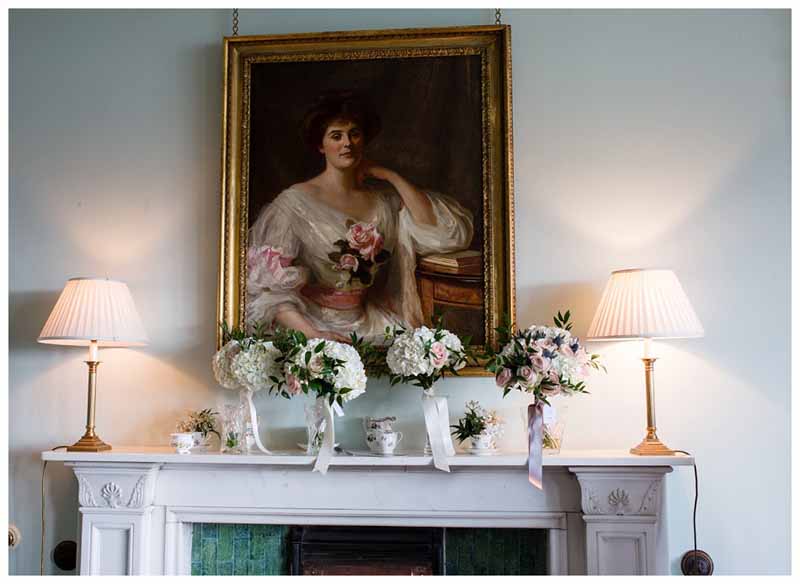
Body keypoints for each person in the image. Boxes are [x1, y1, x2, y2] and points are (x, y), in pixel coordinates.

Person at [246, 90, 474, 343]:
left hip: (370, 320)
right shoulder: (294, 203)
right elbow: (268, 288)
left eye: (354, 134)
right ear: (321, 146)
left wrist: (391, 176)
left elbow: (441, 233)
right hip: (313, 323)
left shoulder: (384, 202)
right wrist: (314, 334)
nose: (347, 143)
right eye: (336, 136)